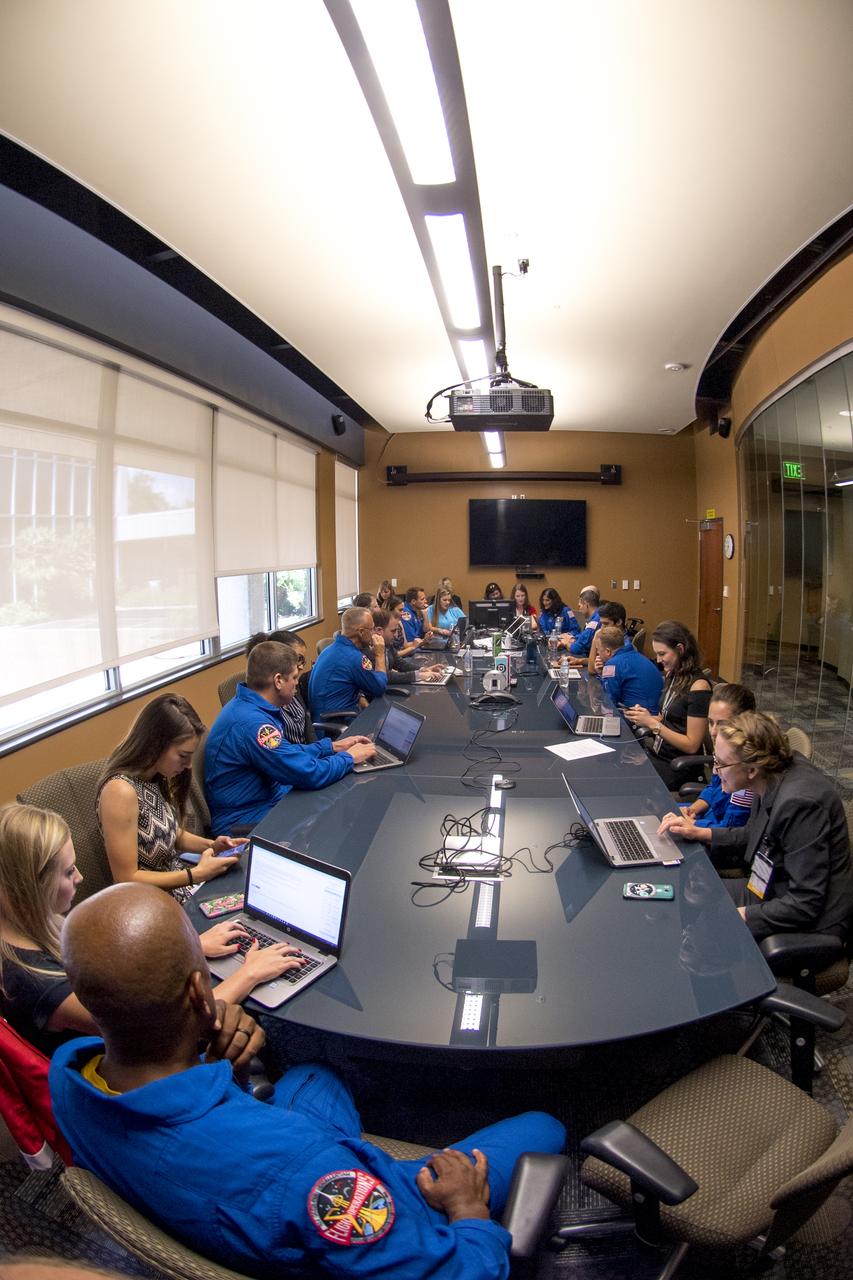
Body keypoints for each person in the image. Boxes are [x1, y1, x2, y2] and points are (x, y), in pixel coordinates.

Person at [50, 884, 567, 1280]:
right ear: (197, 991)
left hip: (220, 1168)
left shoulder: (70, 1075)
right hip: (321, 1182)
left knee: (314, 1076)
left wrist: (220, 1068)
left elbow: (192, 1136)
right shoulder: (315, 1176)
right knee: (545, 1126)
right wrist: (469, 1210)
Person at [0, 805, 302, 1054]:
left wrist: (191, 945)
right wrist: (249, 973)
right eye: (68, 872)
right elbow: (168, 1029)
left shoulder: (32, 920)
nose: (80, 878)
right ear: (29, 886)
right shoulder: (35, 982)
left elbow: (111, 969)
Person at [658, 712, 853, 941]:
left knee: (709, 920)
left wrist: (742, 915)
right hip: (771, 884)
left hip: (812, 919)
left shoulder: (799, 804)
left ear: (751, 770)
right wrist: (700, 831)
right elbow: (755, 833)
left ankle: (715, 970)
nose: (716, 771)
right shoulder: (768, 776)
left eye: (720, 764)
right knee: (686, 888)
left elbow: (805, 902)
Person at [206, 642, 374, 834]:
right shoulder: (254, 725)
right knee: (334, 806)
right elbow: (308, 773)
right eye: (294, 677)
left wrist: (332, 747)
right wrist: (350, 758)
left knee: (334, 793)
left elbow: (286, 753)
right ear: (278, 680)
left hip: (265, 799)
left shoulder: (251, 708)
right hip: (244, 820)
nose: (296, 683)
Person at [98, 695, 243, 905]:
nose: (188, 765)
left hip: (179, 888)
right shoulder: (120, 791)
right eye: (183, 755)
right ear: (156, 744)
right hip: (151, 904)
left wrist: (212, 846)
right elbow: (126, 878)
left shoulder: (155, 777)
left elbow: (168, 834)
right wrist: (195, 875)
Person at [623, 621, 712, 788]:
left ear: (680, 649)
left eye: (663, 654)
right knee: (617, 765)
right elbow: (670, 719)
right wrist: (646, 718)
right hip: (660, 754)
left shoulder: (699, 686)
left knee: (625, 781)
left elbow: (692, 745)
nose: (658, 660)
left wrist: (652, 724)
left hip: (678, 765)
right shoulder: (674, 675)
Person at [674, 684, 756, 830]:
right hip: (708, 818)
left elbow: (731, 830)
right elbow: (713, 786)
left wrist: (694, 825)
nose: (713, 731)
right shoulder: (723, 748)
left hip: (718, 833)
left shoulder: (745, 767)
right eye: (710, 722)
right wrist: (692, 810)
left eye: (722, 724)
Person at [309, 607, 389, 718]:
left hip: (327, 717)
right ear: (361, 632)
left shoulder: (330, 649)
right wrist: (379, 654)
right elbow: (379, 687)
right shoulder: (353, 657)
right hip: (338, 726)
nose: (374, 633)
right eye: (371, 629)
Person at [246, 629, 313, 743]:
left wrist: (326, 749)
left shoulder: (290, 686)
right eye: (298, 659)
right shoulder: (261, 716)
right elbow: (286, 756)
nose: (301, 666)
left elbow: (307, 729)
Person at [597, 625, 663, 713]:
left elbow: (609, 702)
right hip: (656, 713)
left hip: (642, 719)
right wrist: (602, 674)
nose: (597, 653)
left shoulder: (612, 664)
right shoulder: (636, 655)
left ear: (608, 651)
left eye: (598, 650)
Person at [372, 610, 444, 684]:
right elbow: (386, 676)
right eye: (393, 631)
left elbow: (400, 664)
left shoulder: (387, 643)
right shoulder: (369, 648)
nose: (396, 635)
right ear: (379, 630)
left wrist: (423, 669)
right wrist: (418, 675)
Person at [561, 587, 601, 662]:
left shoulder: (595, 621)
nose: (579, 609)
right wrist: (572, 638)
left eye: (580, 606)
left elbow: (577, 648)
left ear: (586, 604)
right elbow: (583, 636)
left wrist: (565, 643)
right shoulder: (596, 616)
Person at [587, 600, 627, 675]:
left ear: (618, 622)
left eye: (606, 624)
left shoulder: (624, 646)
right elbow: (595, 664)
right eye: (601, 624)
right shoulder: (611, 638)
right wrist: (580, 660)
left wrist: (595, 638)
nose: (602, 628)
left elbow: (592, 670)